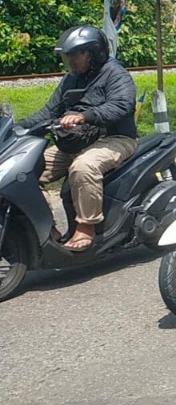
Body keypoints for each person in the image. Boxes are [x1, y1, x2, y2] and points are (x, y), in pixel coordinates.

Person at [18, 25, 138, 250]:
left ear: (92, 53)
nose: (70, 61)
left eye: (75, 55)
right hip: (76, 141)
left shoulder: (115, 73)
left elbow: (122, 105)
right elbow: (48, 112)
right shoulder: (71, 79)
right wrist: (18, 126)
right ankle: (47, 228)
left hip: (115, 138)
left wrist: (84, 116)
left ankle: (86, 228)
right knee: (25, 171)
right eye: (67, 56)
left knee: (83, 167)